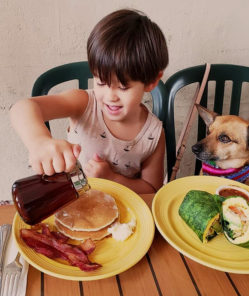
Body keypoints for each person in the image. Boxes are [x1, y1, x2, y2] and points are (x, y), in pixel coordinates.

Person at [10, 9, 169, 194]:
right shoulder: (84, 103)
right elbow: (22, 108)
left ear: (151, 81)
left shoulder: (154, 135)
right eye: (101, 82)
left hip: (123, 212)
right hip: (72, 202)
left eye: (123, 87)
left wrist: (112, 178)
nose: (110, 96)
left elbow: (151, 190)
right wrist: (39, 141)